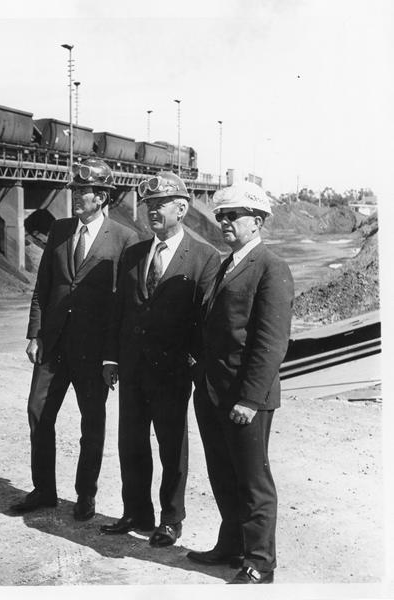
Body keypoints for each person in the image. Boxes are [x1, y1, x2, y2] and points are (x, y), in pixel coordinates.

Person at [10, 158, 139, 521]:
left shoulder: (125, 239)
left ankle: (86, 495)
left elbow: (123, 304)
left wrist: (112, 356)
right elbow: (43, 286)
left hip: (93, 352)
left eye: (83, 193)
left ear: (101, 198)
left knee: (91, 424)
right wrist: (35, 333)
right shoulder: (60, 230)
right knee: (38, 412)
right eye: (76, 192)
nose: (76, 198)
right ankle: (43, 490)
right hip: (53, 345)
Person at [100, 171, 220, 547]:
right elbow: (119, 309)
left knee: (172, 447)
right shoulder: (135, 251)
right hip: (133, 368)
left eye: (159, 205)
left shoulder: (204, 257)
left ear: (182, 209)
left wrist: (193, 363)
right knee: (131, 443)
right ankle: (136, 511)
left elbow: (206, 320)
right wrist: (110, 358)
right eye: (148, 205)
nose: (151, 211)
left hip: (171, 372)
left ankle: (171, 519)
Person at [187, 181, 293, 584]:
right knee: (222, 475)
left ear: (258, 220)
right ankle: (230, 545)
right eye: (221, 216)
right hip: (213, 392)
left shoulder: (270, 268)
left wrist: (248, 399)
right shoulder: (224, 264)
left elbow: (270, 343)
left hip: (245, 398)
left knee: (253, 482)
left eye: (234, 216)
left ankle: (260, 562)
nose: (225, 222)